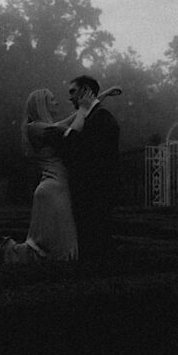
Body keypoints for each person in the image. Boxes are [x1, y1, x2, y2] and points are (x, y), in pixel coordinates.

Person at [0, 84, 121, 264]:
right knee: (58, 250)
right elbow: (72, 131)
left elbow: (67, 122)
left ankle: (10, 254)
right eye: (51, 99)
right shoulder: (35, 128)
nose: (56, 102)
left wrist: (100, 97)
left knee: (53, 246)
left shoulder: (43, 127)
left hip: (55, 187)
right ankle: (9, 254)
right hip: (54, 188)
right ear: (41, 104)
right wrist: (85, 108)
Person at [63, 75, 121, 259]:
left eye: (73, 91)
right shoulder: (92, 115)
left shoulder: (101, 118)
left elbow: (72, 150)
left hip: (93, 197)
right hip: (89, 196)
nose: (70, 97)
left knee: (95, 251)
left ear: (85, 91)